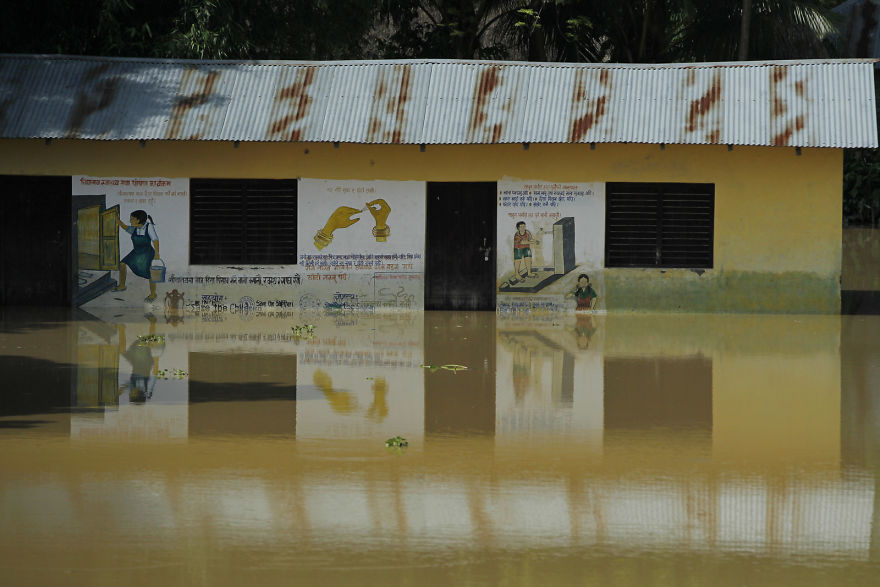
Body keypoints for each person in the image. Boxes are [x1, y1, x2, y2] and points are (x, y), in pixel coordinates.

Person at [113, 210, 160, 302]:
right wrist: (118, 221)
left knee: (151, 273)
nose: (130, 221)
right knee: (122, 264)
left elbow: (155, 240)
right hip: (136, 252)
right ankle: (122, 285)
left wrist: (157, 253)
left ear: (138, 220)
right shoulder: (134, 228)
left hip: (147, 252)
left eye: (132, 219)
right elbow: (125, 227)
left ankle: (153, 294)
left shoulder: (149, 227)